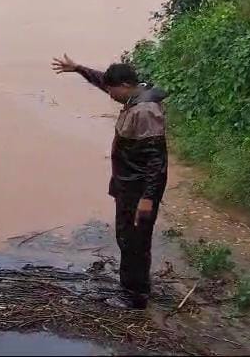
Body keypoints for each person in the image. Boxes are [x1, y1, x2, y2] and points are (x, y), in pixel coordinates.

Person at [51, 55, 167, 309]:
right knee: (130, 238)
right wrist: (79, 68)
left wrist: (148, 198)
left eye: (112, 91)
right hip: (128, 184)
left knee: (133, 240)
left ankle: (133, 296)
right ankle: (139, 286)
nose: (109, 95)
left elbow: (156, 161)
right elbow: (104, 82)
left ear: (125, 85)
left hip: (138, 189)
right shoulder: (136, 95)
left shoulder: (145, 111)